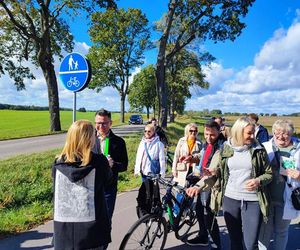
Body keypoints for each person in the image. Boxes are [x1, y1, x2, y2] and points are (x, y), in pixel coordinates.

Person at [186, 117, 273, 250]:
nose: (252, 136)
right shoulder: (226, 148)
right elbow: (216, 173)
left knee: (251, 245)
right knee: (235, 242)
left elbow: (269, 174)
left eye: (253, 132)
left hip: (253, 201)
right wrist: (199, 186)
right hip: (230, 200)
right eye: (249, 133)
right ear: (238, 132)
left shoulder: (258, 149)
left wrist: (258, 180)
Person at [52, 120, 112, 250]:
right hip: (92, 230)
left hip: (63, 230)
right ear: (89, 139)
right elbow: (107, 181)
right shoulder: (99, 161)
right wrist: (109, 165)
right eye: (93, 135)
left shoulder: (58, 163)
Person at [258, 119, 300, 250]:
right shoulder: (264, 147)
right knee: (264, 233)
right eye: (277, 132)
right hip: (266, 198)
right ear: (273, 133)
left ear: (291, 133)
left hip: (286, 199)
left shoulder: (298, 149)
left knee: (281, 232)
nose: (281, 136)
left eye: (285, 133)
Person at [187, 121, 226, 249]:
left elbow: (214, 171)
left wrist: (198, 186)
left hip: (211, 185)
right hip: (201, 181)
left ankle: (216, 246)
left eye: (212, 135)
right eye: (206, 134)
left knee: (209, 217)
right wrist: (192, 158)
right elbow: (203, 155)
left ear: (219, 132)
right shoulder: (208, 143)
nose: (208, 137)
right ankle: (203, 236)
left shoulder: (222, 147)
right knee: (199, 210)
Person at [93, 109, 128, 226]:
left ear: (110, 123)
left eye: (104, 123)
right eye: (98, 123)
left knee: (106, 220)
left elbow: (124, 165)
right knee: (90, 221)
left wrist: (113, 165)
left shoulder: (118, 142)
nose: (101, 126)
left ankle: (103, 244)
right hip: (90, 187)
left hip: (108, 188)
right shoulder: (88, 140)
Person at [134, 124, 166, 217]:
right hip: (143, 172)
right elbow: (138, 156)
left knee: (153, 191)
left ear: (154, 132)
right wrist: (137, 170)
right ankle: (146, 212)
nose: (147, 133)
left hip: (153, 173)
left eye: (149, 131)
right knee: (146, 192)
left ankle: (156, 210)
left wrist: (162, 173)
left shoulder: (159, 144)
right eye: (145, 131)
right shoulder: (142, 142)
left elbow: (162, 159)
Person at [172, 123, 202, 187]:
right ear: (187, 131)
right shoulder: (182, 140)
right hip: (182, 168)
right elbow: (176, 155)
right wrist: (174, 169)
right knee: (180, 188)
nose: (193, 132)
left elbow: (201, 156)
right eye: (191, 131)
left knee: (190, 189)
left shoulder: (199, 142)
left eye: (195, 131)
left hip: (194, 169)